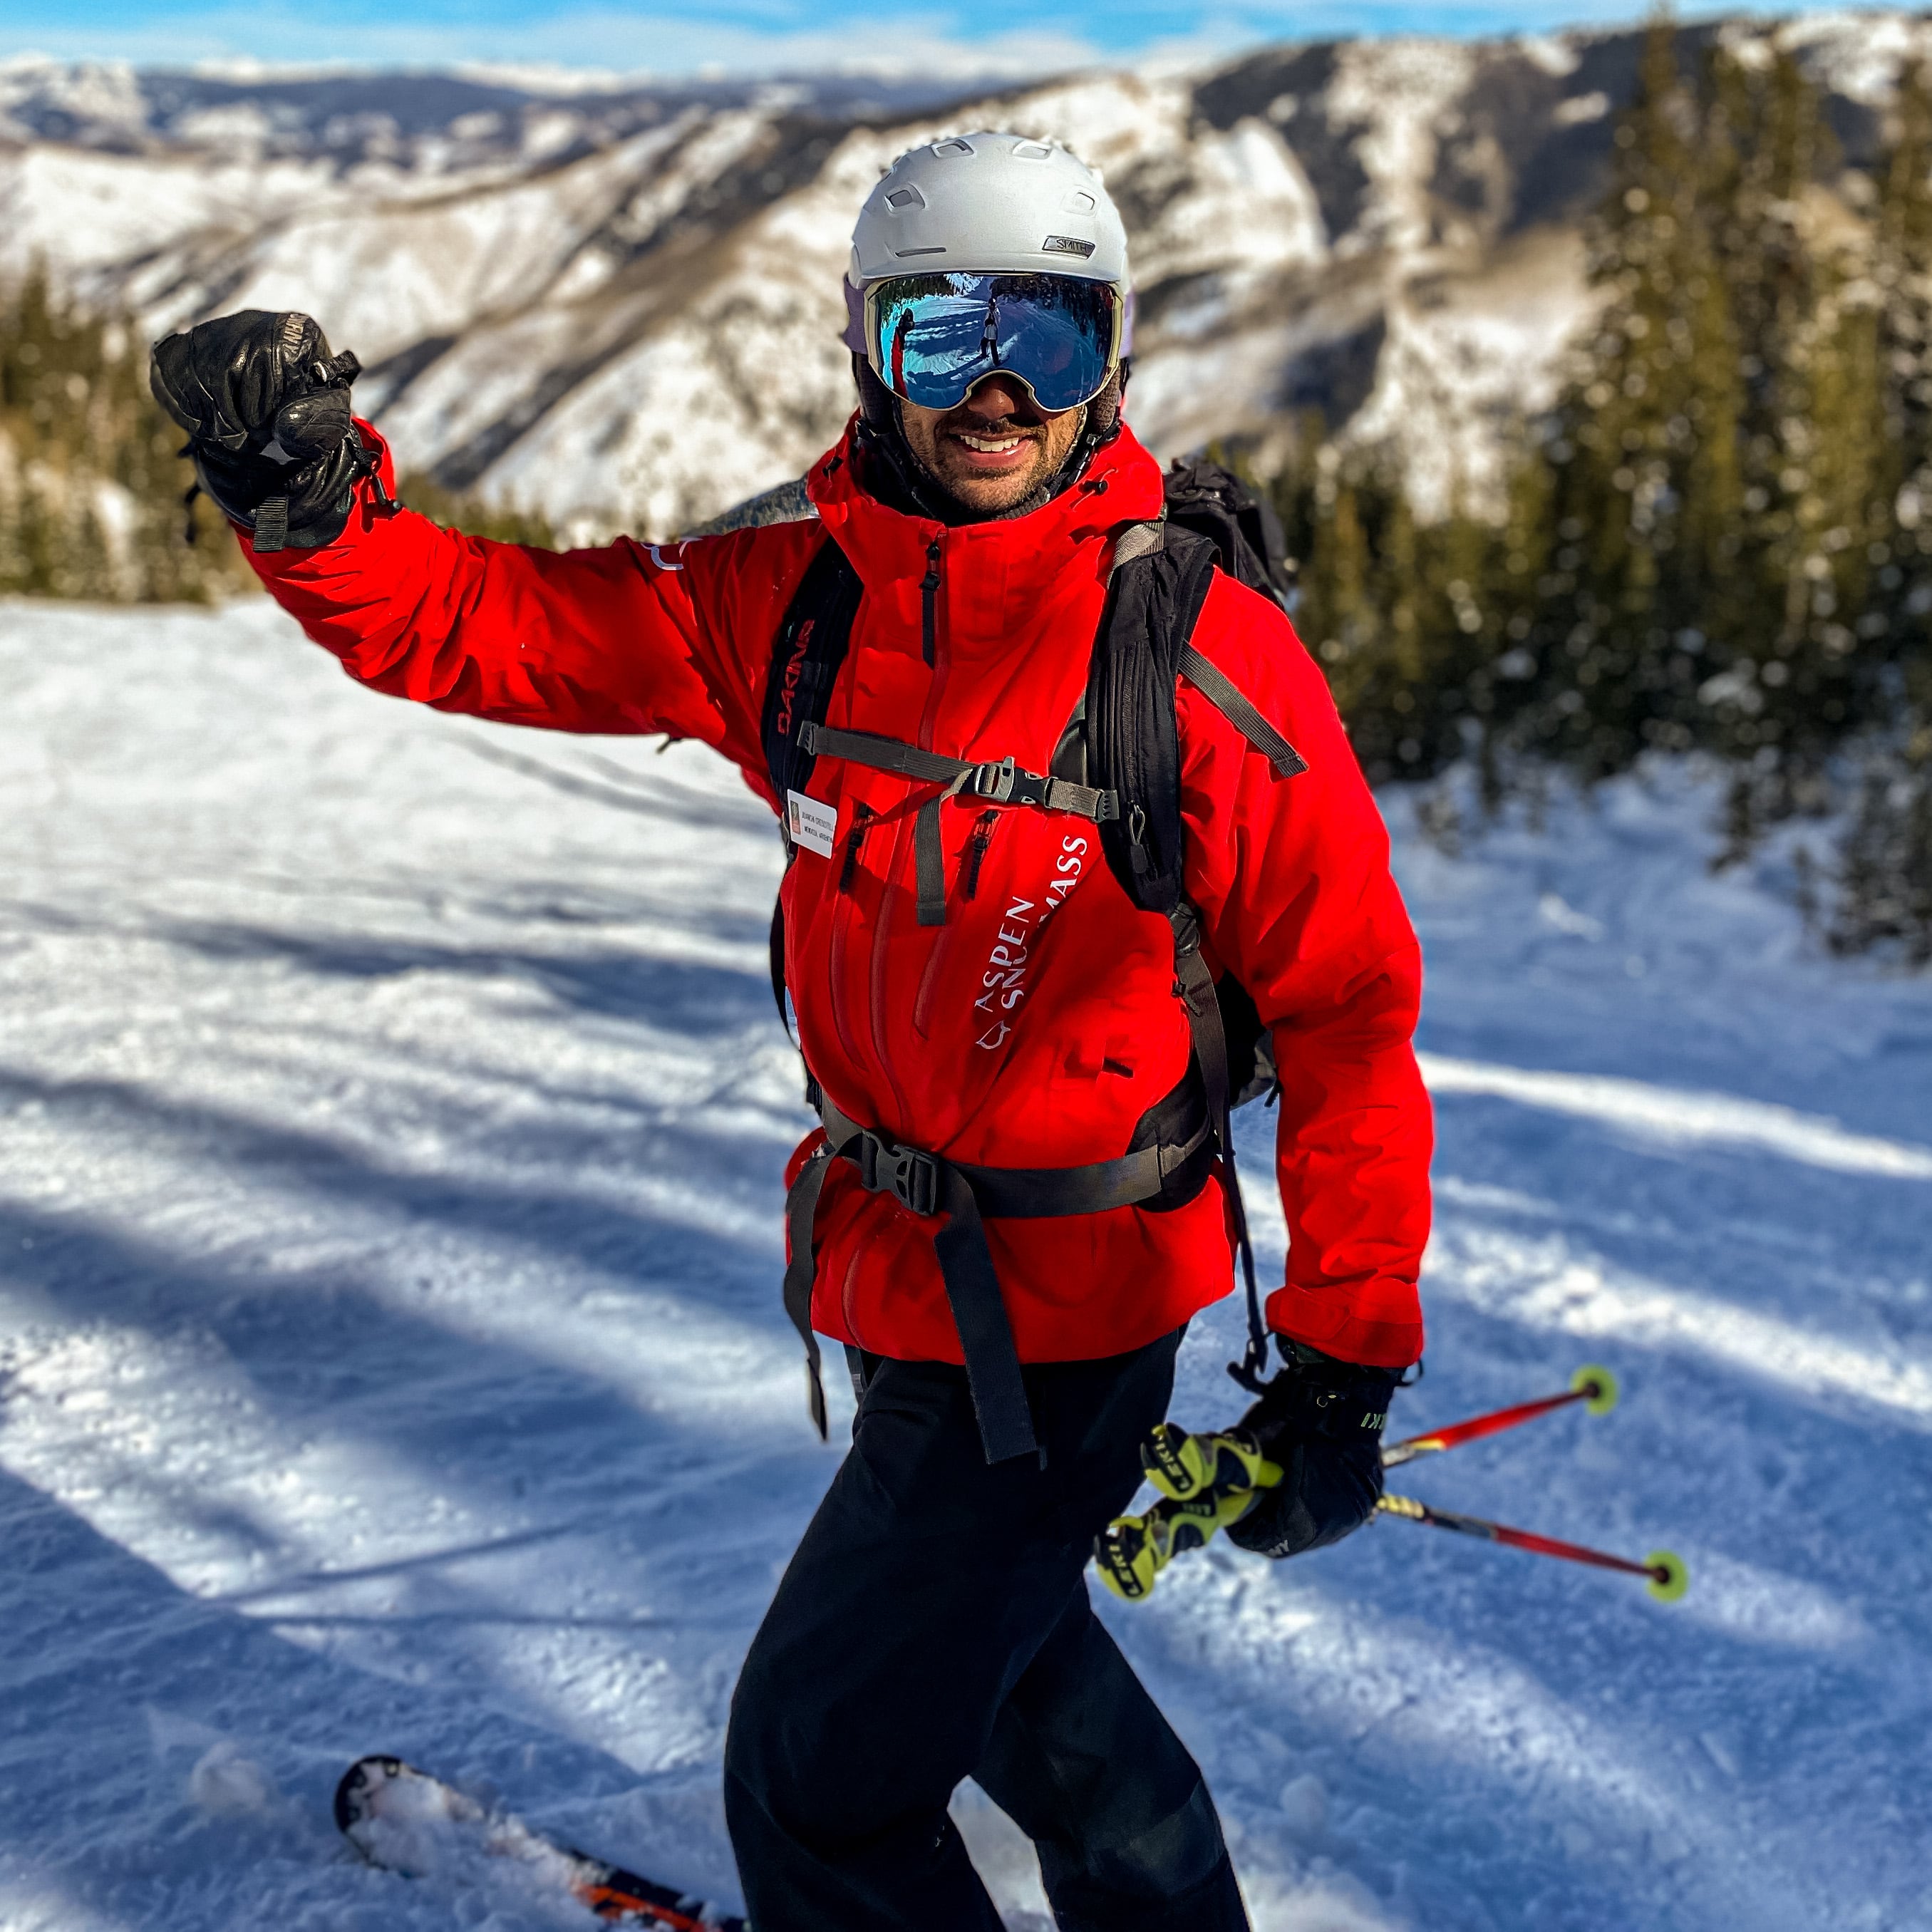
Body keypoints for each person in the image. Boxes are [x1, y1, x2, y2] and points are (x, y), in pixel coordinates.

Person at [150, 131, 1431, 1932]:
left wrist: (1343, 1358)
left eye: (1042, 344)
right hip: (900, 1279)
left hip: (1069, 1327)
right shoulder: (797, 605)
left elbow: (1351, 1009)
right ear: (864, 349)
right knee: (1021, 1684)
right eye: (939, 338)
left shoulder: (1194, 656)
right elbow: (489, 628)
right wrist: (312, 508)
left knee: (817, 1777)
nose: (990, 393)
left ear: (1112, 362)